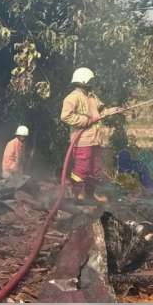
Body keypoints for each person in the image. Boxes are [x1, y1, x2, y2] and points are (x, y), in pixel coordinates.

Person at [60, 67, 122, 203]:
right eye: (90, 80)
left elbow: (101, 111)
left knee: (95, 170)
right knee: (81, 169)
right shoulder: (72, 97)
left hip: (96, 140)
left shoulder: (92, 97)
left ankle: (90, 194)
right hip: (82, 140)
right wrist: (86, 120)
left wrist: (114, 110)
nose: (92, 82)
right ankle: (78, 193)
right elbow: (65, 116)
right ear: (83, 80)